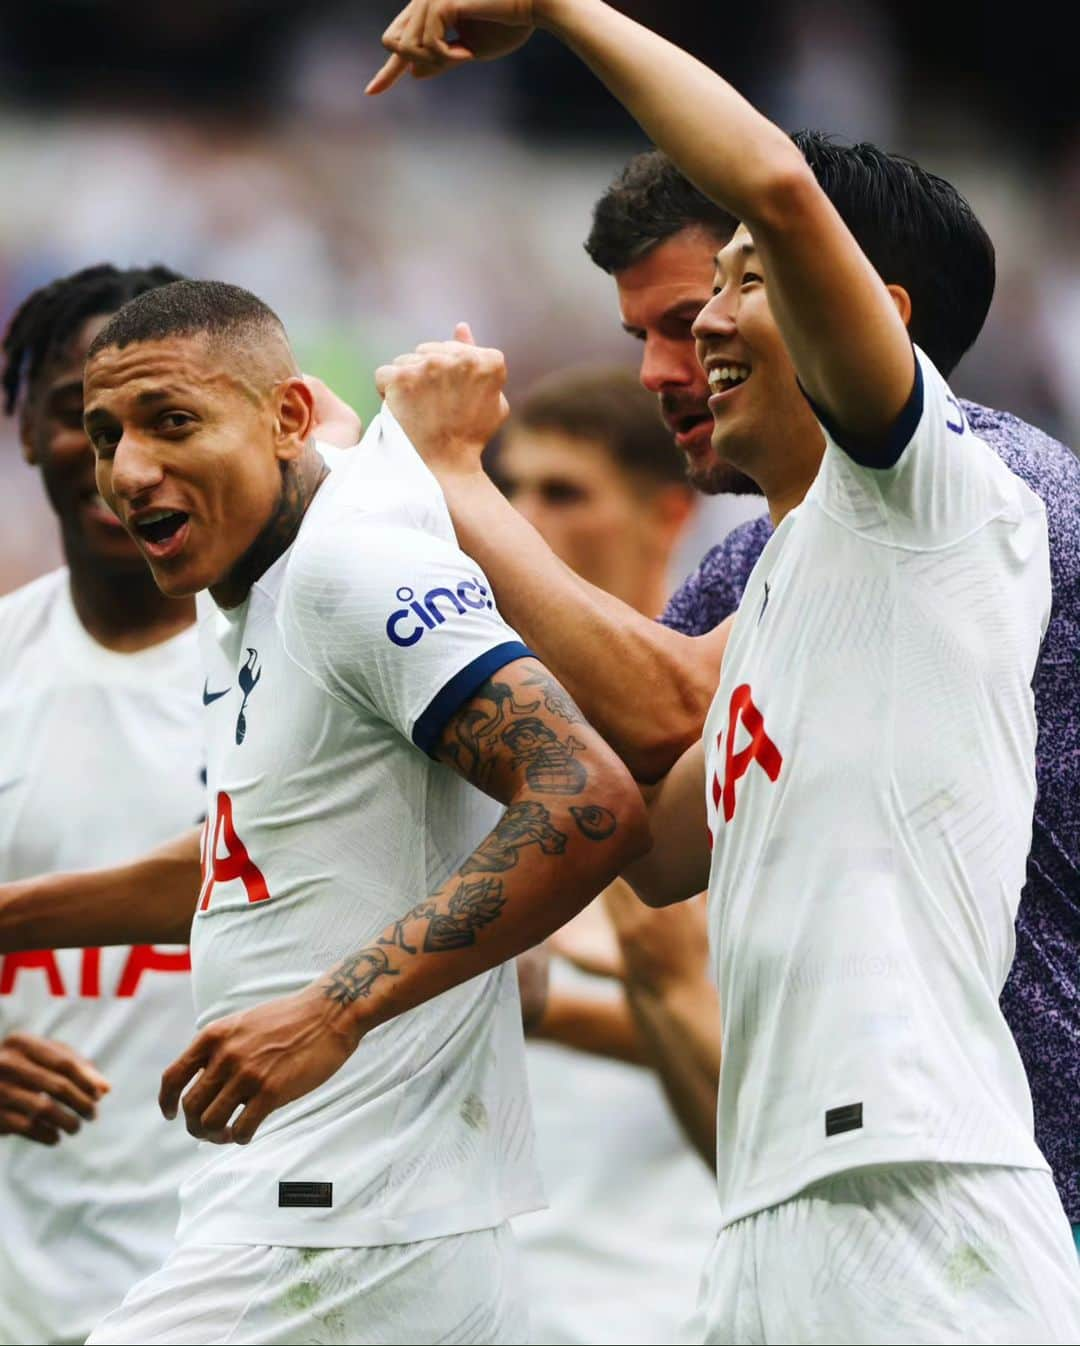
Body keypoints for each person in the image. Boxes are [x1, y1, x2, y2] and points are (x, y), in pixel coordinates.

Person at [368, 2, 1080, 1339]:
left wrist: (561, 8)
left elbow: (774, 179)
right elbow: (650, 841)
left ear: (868, 316)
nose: (699, 335)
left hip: (935, 1175)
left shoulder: (947, 492)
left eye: (743, 286)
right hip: (777, 1193)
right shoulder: (783, 583)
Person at [0, 277, 648, 1345]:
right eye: (104, 430)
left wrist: (334, 1008)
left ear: (286, 416)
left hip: (350, 1230)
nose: (127, 470)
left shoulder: (356, 570)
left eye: (172, 423)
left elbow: (587, 797)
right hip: (316, 1218)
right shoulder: (258, 585)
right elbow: (244, 861)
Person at [0, 263, 205, 1346]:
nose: (120, 453)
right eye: (81, 410)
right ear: (24, 425)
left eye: (162, 414)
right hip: (26, 1293)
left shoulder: (308, 659)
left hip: (248, 1286)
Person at [499, 365, 717, 1345]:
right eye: (507, 487)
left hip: (664, 1291)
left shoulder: (720, 736)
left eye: (562, 491)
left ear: (667, 513)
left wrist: (548, 1004)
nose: (517, 516)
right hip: (485, 1292)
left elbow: (766, 1041)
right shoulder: (467, 734)